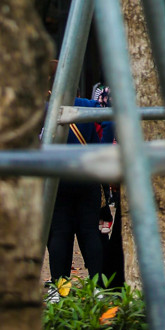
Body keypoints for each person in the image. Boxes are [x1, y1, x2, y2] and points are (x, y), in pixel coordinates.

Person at [46, 94, 114, 283]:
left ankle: (59, 286)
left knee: (59, 233)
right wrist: (101, 150)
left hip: (58, 175)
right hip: (87, 172)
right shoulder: (88, 105)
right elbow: (109, 122)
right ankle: (98, 286)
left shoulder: (46, 108)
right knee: (90, 232)